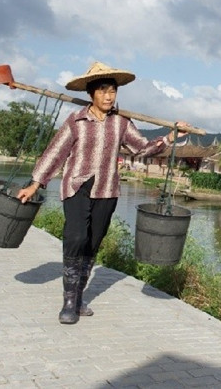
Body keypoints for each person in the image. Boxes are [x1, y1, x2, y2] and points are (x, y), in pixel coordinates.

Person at [16, 62, 189, 325]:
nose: (109, 96)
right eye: (103, 91)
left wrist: (168, 138)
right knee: (75, 238)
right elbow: (55, 153)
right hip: (76, 186)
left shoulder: (121, 123)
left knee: (93, 242)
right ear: (91, 94)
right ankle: (69, 301)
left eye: (113, 91)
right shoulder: (76, 121)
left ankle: (79, 294)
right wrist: (35, 184)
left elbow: (141, 148)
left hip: (107, 189)